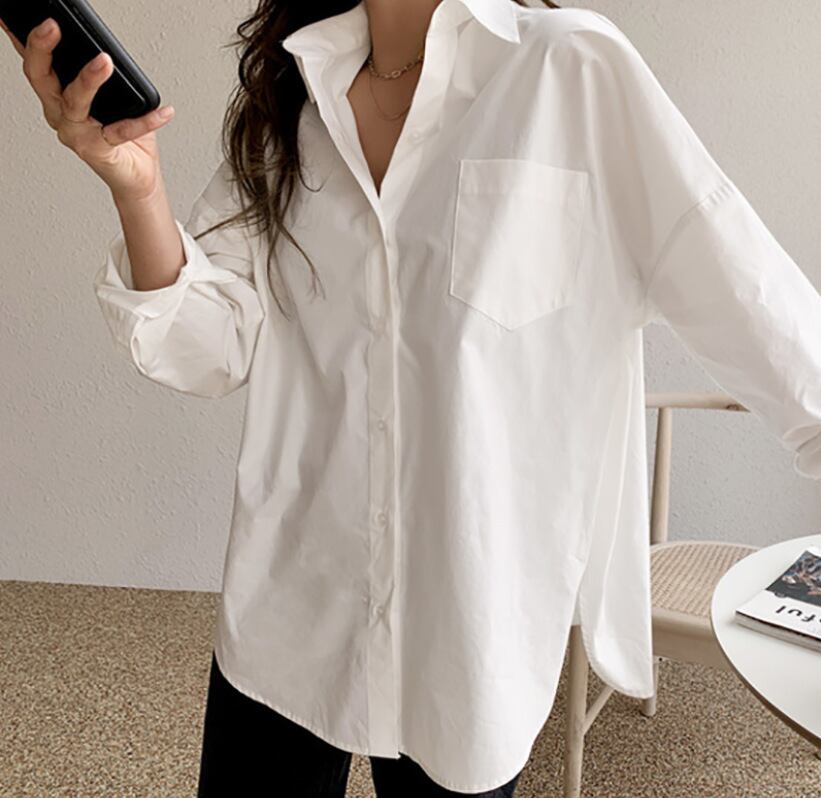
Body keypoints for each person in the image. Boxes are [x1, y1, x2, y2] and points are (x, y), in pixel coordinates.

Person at [5, 0, 821, 796]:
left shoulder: (568, 67)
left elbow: (742, 286)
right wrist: (138, 189)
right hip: (291, 603)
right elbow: (208, 346)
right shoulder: (292, 102)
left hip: (468, 625)